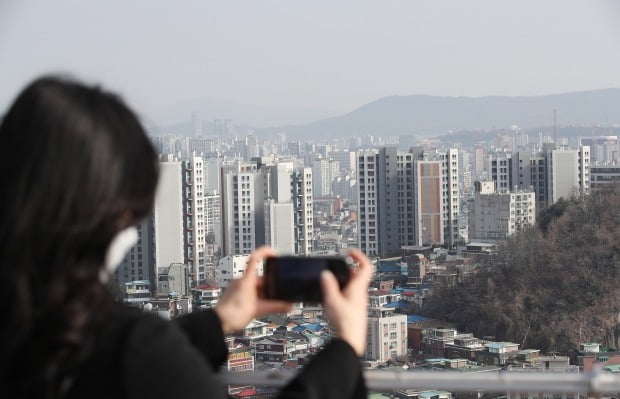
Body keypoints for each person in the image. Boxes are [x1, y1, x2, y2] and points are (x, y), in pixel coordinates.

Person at [0, 76, 372, 399]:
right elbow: (127, 362)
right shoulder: (131, 348)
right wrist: (345, 348)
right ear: (103, 212)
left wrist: (218, 321)